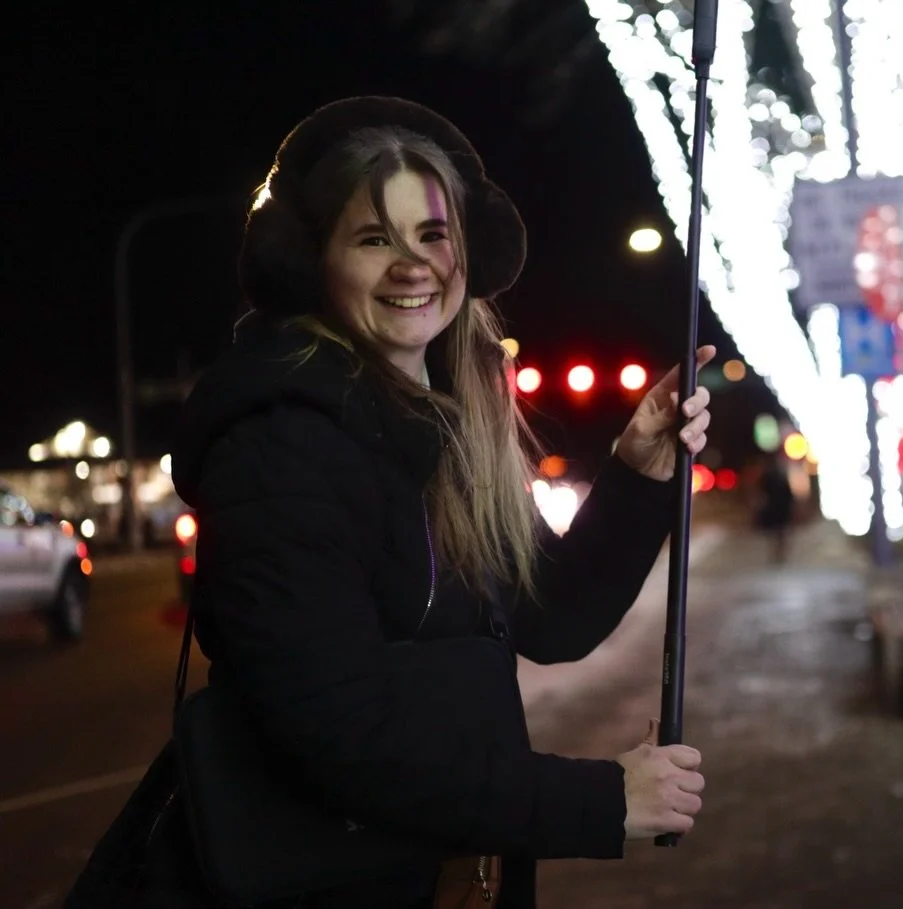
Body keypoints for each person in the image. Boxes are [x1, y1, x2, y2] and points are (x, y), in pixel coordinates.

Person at [168, 97, 713, 908]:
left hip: (457, 882)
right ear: (311, 261)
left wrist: (636, 473)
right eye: (372, 238)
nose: (411, 264)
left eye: (432, 234)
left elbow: (549, 614)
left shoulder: (445, 425)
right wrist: (599, 801)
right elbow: (342, 739)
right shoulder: (280, 450)